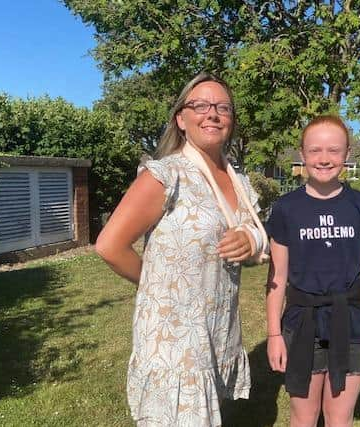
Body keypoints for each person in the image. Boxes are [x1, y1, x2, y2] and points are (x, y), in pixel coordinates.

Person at [95, 73, 267, 427]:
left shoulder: (238, 180)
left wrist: (251, 241)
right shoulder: (166, 175)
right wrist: (158, 287)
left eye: (222, 107)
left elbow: (253, 244)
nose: (212, 114)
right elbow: (109, 246)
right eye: (200, 105)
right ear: (181, 119)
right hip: (175, 339)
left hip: (217, 329)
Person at [265, 115, 360, 427]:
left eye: (334, 150)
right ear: (302, 155)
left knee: (339, 417)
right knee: (303, 418)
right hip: (301, 323)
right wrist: (274, 334)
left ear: (347, 154)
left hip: (351, 324)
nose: (324, 159)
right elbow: (276, 278)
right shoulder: (286, 208)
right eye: (315, 150)